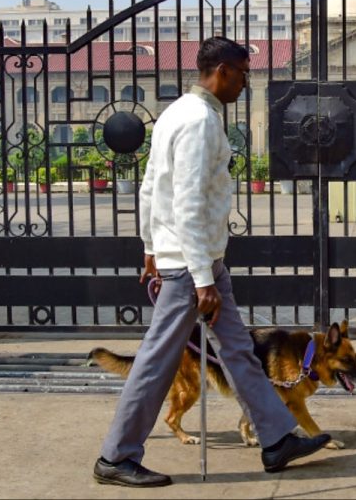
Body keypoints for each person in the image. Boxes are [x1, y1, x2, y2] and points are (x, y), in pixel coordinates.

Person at [94, 37, 330, 488]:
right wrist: (200, 277)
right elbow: (185, 203)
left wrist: (149, 245)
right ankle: (116, 456)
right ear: (222, 70)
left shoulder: (176, 112)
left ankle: (277, 438)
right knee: (157, 362)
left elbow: (150, 188)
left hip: (197, 261)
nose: (246, 82)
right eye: (243, 73)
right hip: (190, 266)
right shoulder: (200, 120)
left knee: (238, 351)